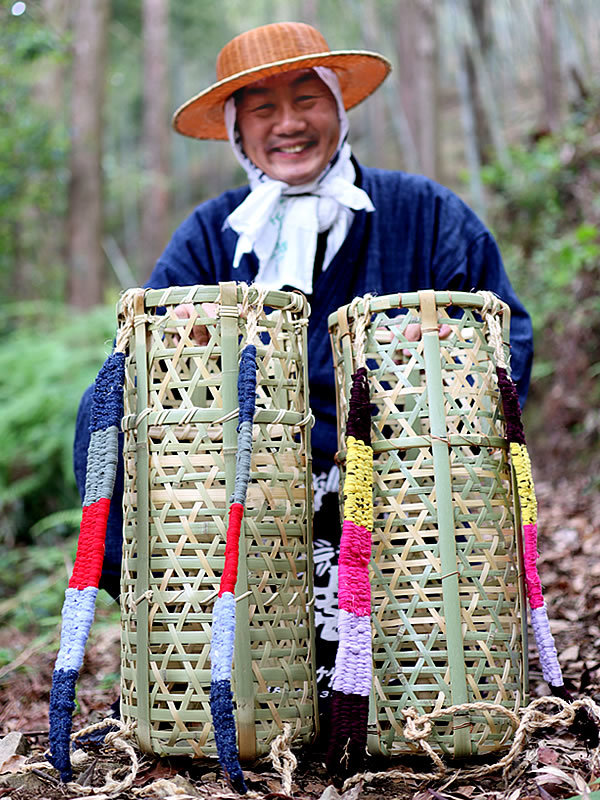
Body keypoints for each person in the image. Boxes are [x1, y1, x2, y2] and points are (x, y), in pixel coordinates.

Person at [74, 21, 533, 707]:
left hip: (396, 497)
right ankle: (187, 629)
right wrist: (187, 349)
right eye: (262, 108)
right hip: (245, 501)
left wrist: (434, 371)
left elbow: (502, 340)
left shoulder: (427, 215)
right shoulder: (213, 233)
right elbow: (146, 353)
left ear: (338, 109)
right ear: (237, 129)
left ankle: (424, 657)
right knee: (100, 407)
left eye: (306, 100)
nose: (288, 124)